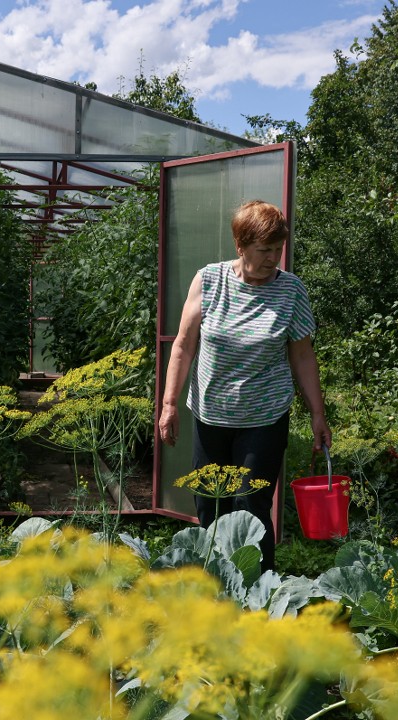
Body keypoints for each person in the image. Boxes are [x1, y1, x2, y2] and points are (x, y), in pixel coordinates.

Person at [158, 199, 331, 572]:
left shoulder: (291, 291)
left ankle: (256, 592)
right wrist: (169, 404)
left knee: (251, 507)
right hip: (210, 416)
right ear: (241, 246)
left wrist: (318, 413)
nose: (273, 258)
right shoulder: (209, 280)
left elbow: (302, 356)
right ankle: (213, 585)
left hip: (263, 420)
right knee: (208, 504)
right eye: (264, 250)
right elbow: (185, 345)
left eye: (278, 249)